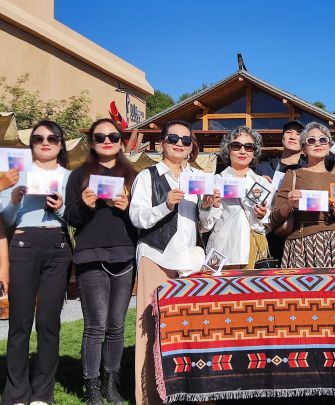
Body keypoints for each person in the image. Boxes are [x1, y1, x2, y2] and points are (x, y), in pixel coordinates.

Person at [129, 119, 203, 405]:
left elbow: (204, 225)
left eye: (185, 140)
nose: (179, 144)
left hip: (189, 261)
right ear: (162, 142)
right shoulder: (147, 176)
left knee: (187, 330)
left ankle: (187, 393)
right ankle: (150, 396)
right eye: (173, 138)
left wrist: (210, 206)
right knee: (151, 329)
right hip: (156, 257)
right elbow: (137, 218)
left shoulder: (198, 177)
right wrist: (166, 205)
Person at [64, 118, 137, 405]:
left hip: (124, 256)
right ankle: (91, 386)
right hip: (91, 255)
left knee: (116, 325)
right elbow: (71, 218)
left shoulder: (133, 176)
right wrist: (85, 205)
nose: (107, 141)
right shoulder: (79, 175)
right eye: (100, 137)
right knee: (95, 325)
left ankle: (111, 383)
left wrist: (128, 208)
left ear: (121, 142)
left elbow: (142, 221)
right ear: (92, 142)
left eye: (113, 137)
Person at [1, 120, 71, 405]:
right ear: (31, 144)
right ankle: (16, 392)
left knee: (48, 322)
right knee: (20, 321)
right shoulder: (17, 173)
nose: (45, 142)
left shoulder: (69, 177)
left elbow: (76, 218)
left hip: (57, 245)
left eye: (52, 138)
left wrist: (61, 207)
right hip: (23, 244)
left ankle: (43, 393)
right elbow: (6, 220)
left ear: (60, 144)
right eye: (38, 138)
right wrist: (14, 200)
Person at [270, 122, 335, 268]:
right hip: (301, 244)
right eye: (311, 140)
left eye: (323, 140)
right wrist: (289, 205)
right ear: (304, 148)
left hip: (333, 244)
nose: (318, 144)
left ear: (329, 146)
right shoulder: (292, 175)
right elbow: (274, 219)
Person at [201, 127, 273, 268]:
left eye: (248, 147)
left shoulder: (263, 184)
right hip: (222, 249)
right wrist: (212, 206)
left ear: (254, 152)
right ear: (228, 150)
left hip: (253, 248)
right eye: (236, 146)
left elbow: (271, 222)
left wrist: (263, 215)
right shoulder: (215, 181)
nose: (242, 151)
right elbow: (204, 226)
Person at [256, 120, 306, 260]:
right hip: (266, 237)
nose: (293, 136)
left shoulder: (307, 170)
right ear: (282, 138)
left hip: (298, 240)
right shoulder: (263, 168)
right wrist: (257, 181)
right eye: (289, 132)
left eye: (298, 134)